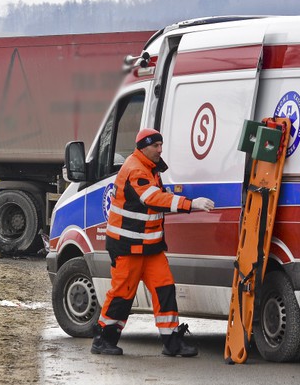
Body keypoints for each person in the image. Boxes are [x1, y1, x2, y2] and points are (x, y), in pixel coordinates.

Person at [92, 128, 215, 357]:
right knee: (122, 294)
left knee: (165, 289)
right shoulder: (135, 169)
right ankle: (103, 339)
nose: (160, 150)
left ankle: (172, 343)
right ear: (143, 147)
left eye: (161, 145)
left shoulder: (149, 167)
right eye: (156, 146)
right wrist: (191, 204)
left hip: (150, 247)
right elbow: (153, 199)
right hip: (127, 246)